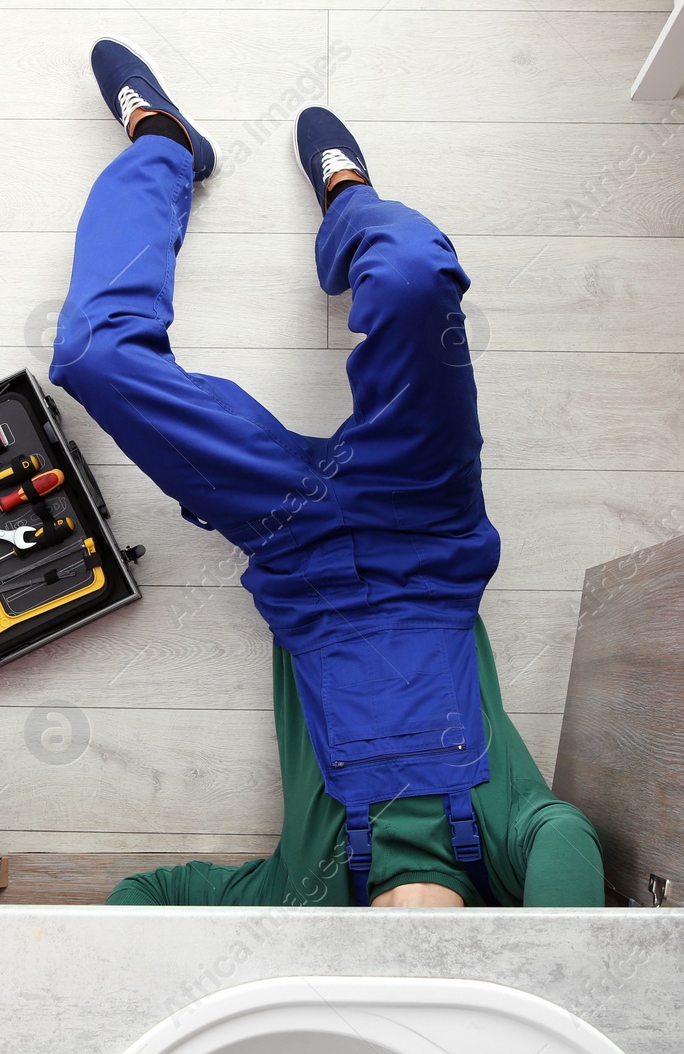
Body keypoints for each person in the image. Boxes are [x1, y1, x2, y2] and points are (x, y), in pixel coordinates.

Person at [50, 38, 604, 908]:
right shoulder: (516, 849)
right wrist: (540, 975)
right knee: (417, 276)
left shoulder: (303, 893)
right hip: (426, 524)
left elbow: (147, 895)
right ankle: (350, 202)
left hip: (291, 539)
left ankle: (163, 145)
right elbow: (570, 837)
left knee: (92, 357)